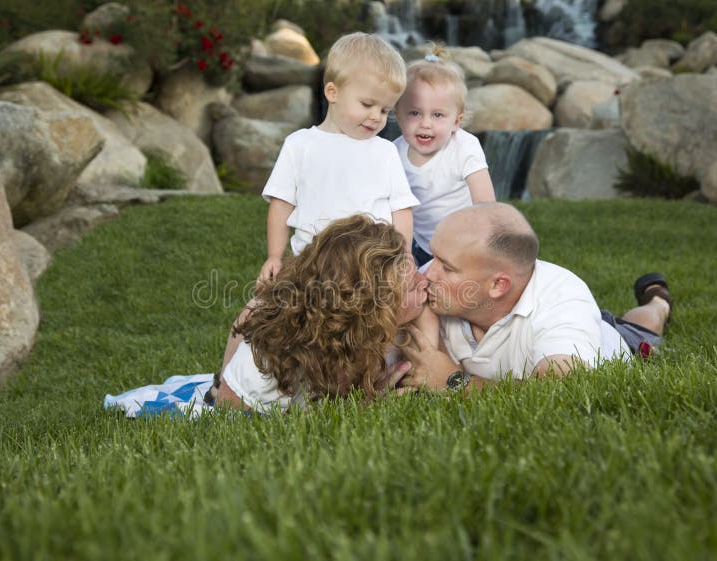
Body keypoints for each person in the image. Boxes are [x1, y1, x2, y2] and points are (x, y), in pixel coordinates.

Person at [397, 202, 673, 392]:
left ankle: (658, 301)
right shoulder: (431, 285)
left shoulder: (563, 303)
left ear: (497, 285)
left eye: (447, 267)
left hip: (612, 340)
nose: (427, 275)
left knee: (641, 330)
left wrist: (452, 380)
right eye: (433, 257)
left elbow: (558, 394)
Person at [213, 215, 430, 413]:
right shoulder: (270, 363)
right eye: (411, 286)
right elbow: (226, 418)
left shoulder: (403, 330)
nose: (425, 281)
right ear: (372, 311)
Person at [259, 32, 420, 282]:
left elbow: (401, 209)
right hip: (310, 264)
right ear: (332, 92)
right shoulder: (300, 144)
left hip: (370, 266)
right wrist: (274, 256)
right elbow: (281, 205)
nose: (377, 116)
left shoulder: (384, 151)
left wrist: (404, 254)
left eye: (385, 110)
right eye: (367, 105)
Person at [393, 45, 496, 267]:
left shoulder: (464, 146)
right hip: (417, 244)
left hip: (463, 244)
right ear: (398, 116)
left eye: (438, 115)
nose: (426, 123)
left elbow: (485, 202)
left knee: (459, 295)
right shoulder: (393, 153)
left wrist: (482, 243)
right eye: (414, 113)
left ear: (456, 122)